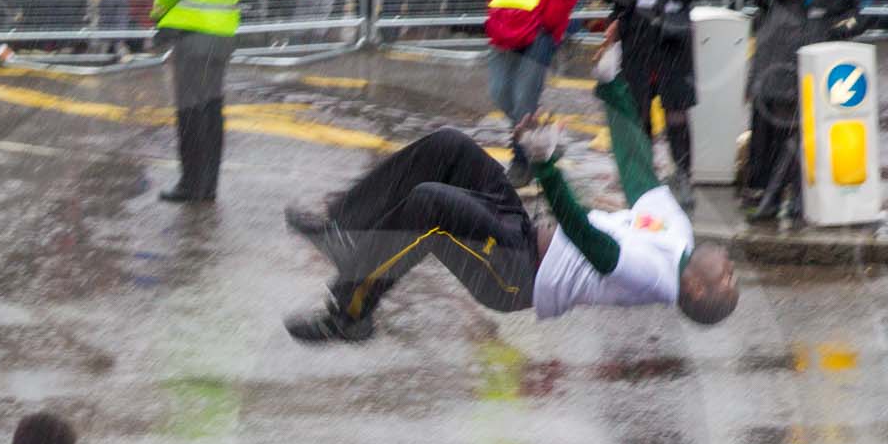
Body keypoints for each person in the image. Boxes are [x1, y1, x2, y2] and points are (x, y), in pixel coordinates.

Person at [278, 112, 741, 343]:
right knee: (449, 146)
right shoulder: (676, 232)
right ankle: (343, 229)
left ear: (696, 292)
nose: (731, 269)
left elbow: (587, 238)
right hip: (522, 231)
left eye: (727, 282)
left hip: (515, 275)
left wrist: (547, 167)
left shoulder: (655, 278)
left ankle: (351, 314)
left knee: (428, 207)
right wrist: (611, 85)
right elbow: (639, 173)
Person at [741, 0, 858, 221]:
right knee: (773, 120)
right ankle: (768, 191)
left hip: (815, 40)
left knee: (805, 123)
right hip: (775, 43)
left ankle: (798, 195)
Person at [595, 0, 713, 205]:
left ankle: (683, 175)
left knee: (677, 110)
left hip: (674, 36)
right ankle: (643, 178)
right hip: (638, 36)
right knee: (638, 110)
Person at [151, 0, 243, 201]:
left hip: (195, 34)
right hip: (222, 33)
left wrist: (158, 13)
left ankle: (191, 184)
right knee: (211, 109)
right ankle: (207, 185)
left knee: (191, 112)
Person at [483, 0, 581, 185]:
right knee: (500, 91)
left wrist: (548, 21)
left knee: (524, 95)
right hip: (505, 25)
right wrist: (498, 6)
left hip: (538, 28)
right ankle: (540, 140)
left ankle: (522, 161)